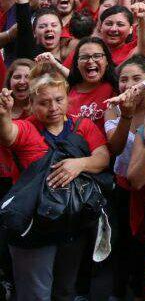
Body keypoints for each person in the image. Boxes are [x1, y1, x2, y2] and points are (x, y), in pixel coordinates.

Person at [0, 75, 111, 301]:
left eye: (59, 100)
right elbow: (8, 134)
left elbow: (102, 158)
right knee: (35, 293)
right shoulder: (28, 127)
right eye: (44, 102)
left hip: (72, 221)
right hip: (34, 224)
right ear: (31, 103)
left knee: (65, 290)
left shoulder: (82, 125)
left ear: (68, 99)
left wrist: (80, 164)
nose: (53, 108)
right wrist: (3, 115)